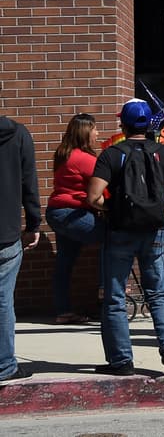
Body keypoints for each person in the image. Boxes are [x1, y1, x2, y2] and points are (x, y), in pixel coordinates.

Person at [86, 100, 164, 375]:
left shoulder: (111, 154)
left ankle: (121, 361)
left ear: (124, 125)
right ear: (149, 125)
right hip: (153, 231)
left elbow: (93, 198)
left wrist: (114, 207)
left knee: (115, 297)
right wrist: (155, 204)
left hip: (120, 230)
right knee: (158, 294)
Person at [45, 113, 106, 322]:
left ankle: (63, 311)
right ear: (85, 132)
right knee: (112, 239)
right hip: (72, 212)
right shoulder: (84, 159)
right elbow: (105, 185)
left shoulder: (63, 153)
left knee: (65, 261)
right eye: (95, 129)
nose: (98, 133)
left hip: (57, 212)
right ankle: (108, 300)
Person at [0, 103, 40, 383]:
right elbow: (30, 183)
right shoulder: (19, 134)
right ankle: (4, 365)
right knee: (3, 301)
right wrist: (34, 223)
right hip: (6, 232)